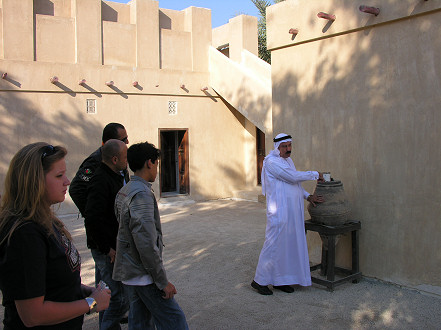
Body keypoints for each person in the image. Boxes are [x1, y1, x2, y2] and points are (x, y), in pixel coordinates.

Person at [0, 142, 110, 329]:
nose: (67, 181)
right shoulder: (24, 234)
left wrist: (82, 291)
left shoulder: (45, 220)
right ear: (34, 181)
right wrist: (90, 303)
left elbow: (52, 283)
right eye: (59, 176)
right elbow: (33, 315)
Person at [113, 142, 189, 330]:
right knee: (175, 320)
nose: (157, 169)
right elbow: (145, 243)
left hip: (132, 271)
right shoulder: (141, 195)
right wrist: (162, 281)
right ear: (149, 163)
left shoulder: (126, 190)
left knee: (140, 321)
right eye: (156, 164)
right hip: (143, 274)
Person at [251, 133, 324, 295]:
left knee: (287, 246)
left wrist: (308, 196)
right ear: (277, 147)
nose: (288, 149)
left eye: (290, 145)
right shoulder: (271, 162)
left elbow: (294, 184)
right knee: (273, 244)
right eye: (285, 146)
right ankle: (259, 280)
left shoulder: (287, 161)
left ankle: (280, 280)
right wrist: (315, 174)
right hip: (279, 212)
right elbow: (291, 177)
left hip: (292, 213)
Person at [84, 139, 130, 329]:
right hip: (105, 248)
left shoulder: (116, 174)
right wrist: (107, 249)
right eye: (125, 157)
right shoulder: (100, 180)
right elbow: (92, 219)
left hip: (113, 245)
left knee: (115, 293)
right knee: (117, 296)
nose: (127, 161)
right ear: (114, 159)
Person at [69, 122, 130, 217]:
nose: (127, 142)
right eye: (124, 139)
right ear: (110, 142)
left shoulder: (121, 155)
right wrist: (92, 214)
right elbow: (76, 188)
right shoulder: (95, 161)